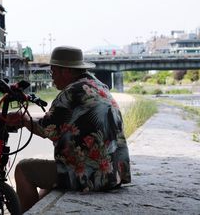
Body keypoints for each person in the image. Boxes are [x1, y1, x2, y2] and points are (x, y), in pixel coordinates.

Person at [8, 46, 131, 212]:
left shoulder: (71, 93)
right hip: (113, 173)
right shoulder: (97, 86)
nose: (52, 78)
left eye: (53, 72)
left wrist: (23, 120)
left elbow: (46, 129)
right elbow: (58, 122)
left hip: (92, 176)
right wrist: (29, 120)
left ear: (65, 71)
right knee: (46, 188)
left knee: (23, 169)